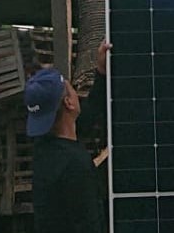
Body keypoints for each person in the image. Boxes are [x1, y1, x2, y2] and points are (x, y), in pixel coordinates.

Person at [25, 40, 111, 233]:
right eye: (71, 88)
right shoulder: (75, 166)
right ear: (69, 103)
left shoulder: (45, 148)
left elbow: (82, 120)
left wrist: (101, 73)